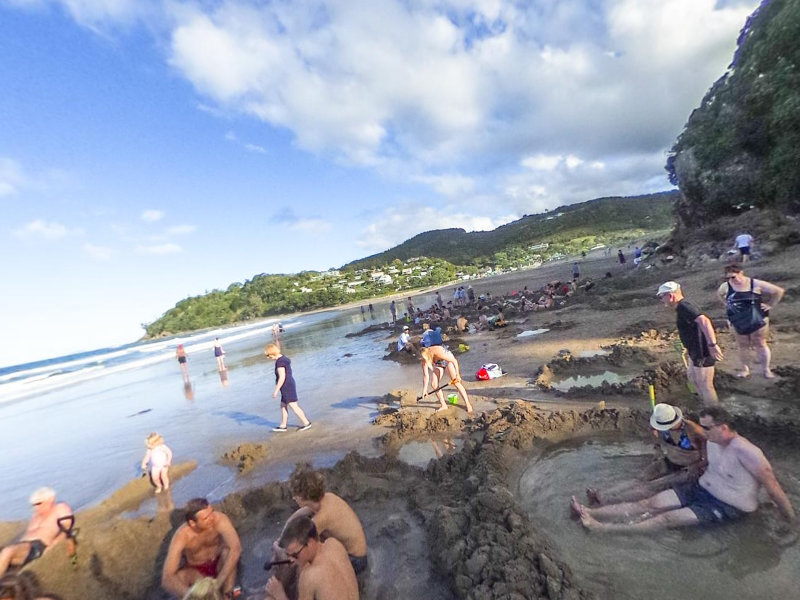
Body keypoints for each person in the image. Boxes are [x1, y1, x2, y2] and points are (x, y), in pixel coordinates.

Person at [571, 407, 796, 532]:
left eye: (707, 428)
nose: (703, 431)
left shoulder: (750, 453)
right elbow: (706, 463)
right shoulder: (712, 441)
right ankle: (590, 511)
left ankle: (602, 529)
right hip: (698, 488)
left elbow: (774, 489)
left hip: (725, 505)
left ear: (723, 427)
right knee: (647, 503)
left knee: (665, 519)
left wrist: (791, 520)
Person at [586, 403, 706, 505]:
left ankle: (608, 500)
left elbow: (709, 447)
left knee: (652, 486)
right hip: (669, 461)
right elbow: (658, 441)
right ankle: (601, 494)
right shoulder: (662, 428)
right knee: (640, 478)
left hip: (687, 468)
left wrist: (698, 466)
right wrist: (658, 451)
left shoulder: (693, 429)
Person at [287, 468, 367, 575]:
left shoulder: (322, 518)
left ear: (301, 497)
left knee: (306, 564)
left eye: (295, 495)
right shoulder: (328, 497)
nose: (293, 498)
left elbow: (302, 547)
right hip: (353, 550)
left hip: (355, 560)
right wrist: (289, 523)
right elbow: (305, 510)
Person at [656, 281, 723, 406]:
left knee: (706, 385)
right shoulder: (681, 308)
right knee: (692, 377)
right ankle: (703, 403)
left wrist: (712, 345)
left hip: (702, 350)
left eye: (662, 296)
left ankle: (714, 413)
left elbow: (705, 321)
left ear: (670, 296)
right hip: (694, 350)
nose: (661, 300)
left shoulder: (685, 307)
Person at [162, 498, 242, 599]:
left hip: (220, 564)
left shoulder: (219, 519)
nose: (212, 518)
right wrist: (191, 595)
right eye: (206, 518)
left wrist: (217, 583)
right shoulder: (182, 536)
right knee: (182, 576)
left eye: (211, 512)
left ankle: (227, 595)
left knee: (227, 552)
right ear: (192, 523)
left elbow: (236, 548)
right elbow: (167, 577)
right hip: (198, 572)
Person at [266, 516, 357, 600]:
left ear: (310, 543)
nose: (291, 560)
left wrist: (279, 595)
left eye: (295, 555)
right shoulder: (334, 544)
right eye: (288, 555)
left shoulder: (309, 576)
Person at [717, 265, 784, 379]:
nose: (732, 280)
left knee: (760, 343)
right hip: (737, 318)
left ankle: (766, 369)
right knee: (742, 345)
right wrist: (726, 304)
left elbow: (778, 291)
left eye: (734, 277)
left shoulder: (756, 283)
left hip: (758, 318)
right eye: (729, 278)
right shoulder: (726, 286)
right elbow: (719, 295)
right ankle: (745, 369)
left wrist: (770, 305)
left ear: (741, 273)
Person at [0, 489, 74, 577]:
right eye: (34, 505)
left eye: (39, 504)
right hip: (22, 547)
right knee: (5, 550)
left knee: (8, 551)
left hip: (36, 547)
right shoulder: (36, 515)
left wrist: (54, 544)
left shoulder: (59, 508)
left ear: (50, 500)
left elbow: (67, 528)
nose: (36, 508)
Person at [264, 343, 312, 432]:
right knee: (283, 405)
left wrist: (276, 390)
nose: (268, 358)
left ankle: (306, 423)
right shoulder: (284, 358)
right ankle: (283, 425)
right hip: (289, 384)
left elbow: (282, 377)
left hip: (286, 386)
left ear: (272, 353)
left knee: (294, 406)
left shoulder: (280, 362)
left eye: (269, 356)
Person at [420, 346, 474, 414]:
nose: (425, 361)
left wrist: (458, 374)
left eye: (426, 359)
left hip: (448, 361)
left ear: (428, 355)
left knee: (456, 382)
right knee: (434, 384)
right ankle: (443, 405)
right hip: (439, 364)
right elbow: (426, 376)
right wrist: (424, 390)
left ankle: (468, 404)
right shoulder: (424, 360)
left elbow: (454, 360)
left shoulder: (437, 351)